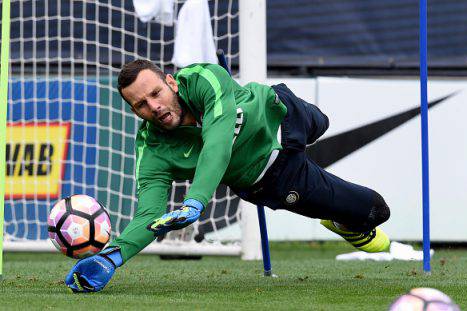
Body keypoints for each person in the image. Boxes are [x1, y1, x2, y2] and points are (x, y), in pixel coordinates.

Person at [65, 60, 391, 293]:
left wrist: (195, 201)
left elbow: (217, 145)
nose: (155, 106)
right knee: (375, 210)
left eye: (156, 93)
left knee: (322, 121)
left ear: (171, 82)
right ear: (135, 113)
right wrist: (111, 257)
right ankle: (343, 222)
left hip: (283, 114)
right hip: (276, 177)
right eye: (141, 105)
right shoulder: (151, 151)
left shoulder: (204, 76)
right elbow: (149, 214)